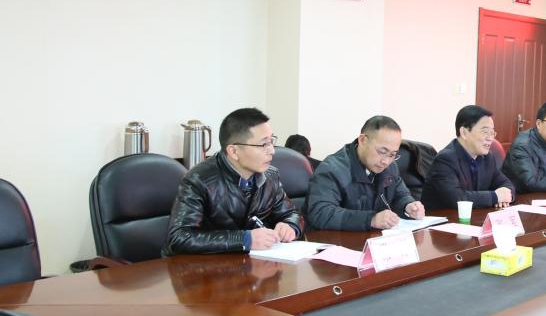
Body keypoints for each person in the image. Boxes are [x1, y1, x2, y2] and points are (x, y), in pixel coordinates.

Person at [164, 108, 303, 256]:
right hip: (203, 266)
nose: (272, 151)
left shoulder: (270, 176)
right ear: (234, 151)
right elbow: (179, 237)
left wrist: (290, 225)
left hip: (250, 263)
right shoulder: (199, 180)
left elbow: (291, 214)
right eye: (263, 144)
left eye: (271, 141)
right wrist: (243, 239)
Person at [305, 115, 425, 231]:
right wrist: (370, 219)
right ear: (362, 140)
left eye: (393, 154)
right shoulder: (332, 169)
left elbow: (399, 195)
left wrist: (408, 205)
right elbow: (320, 213)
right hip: (333, 240)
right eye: (382, 152)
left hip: (373, 238)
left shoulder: (390, 167)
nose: (386, 161)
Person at [421, 105, 515, 209]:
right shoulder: (445, 159)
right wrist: (495, 197)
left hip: (474, 216)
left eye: (492, 133)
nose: (490, 138)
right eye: (485, 132)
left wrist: (505, 196)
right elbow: (457, 198)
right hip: (444, 217)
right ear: (464, 133)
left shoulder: (487, 157)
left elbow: (507, 184)